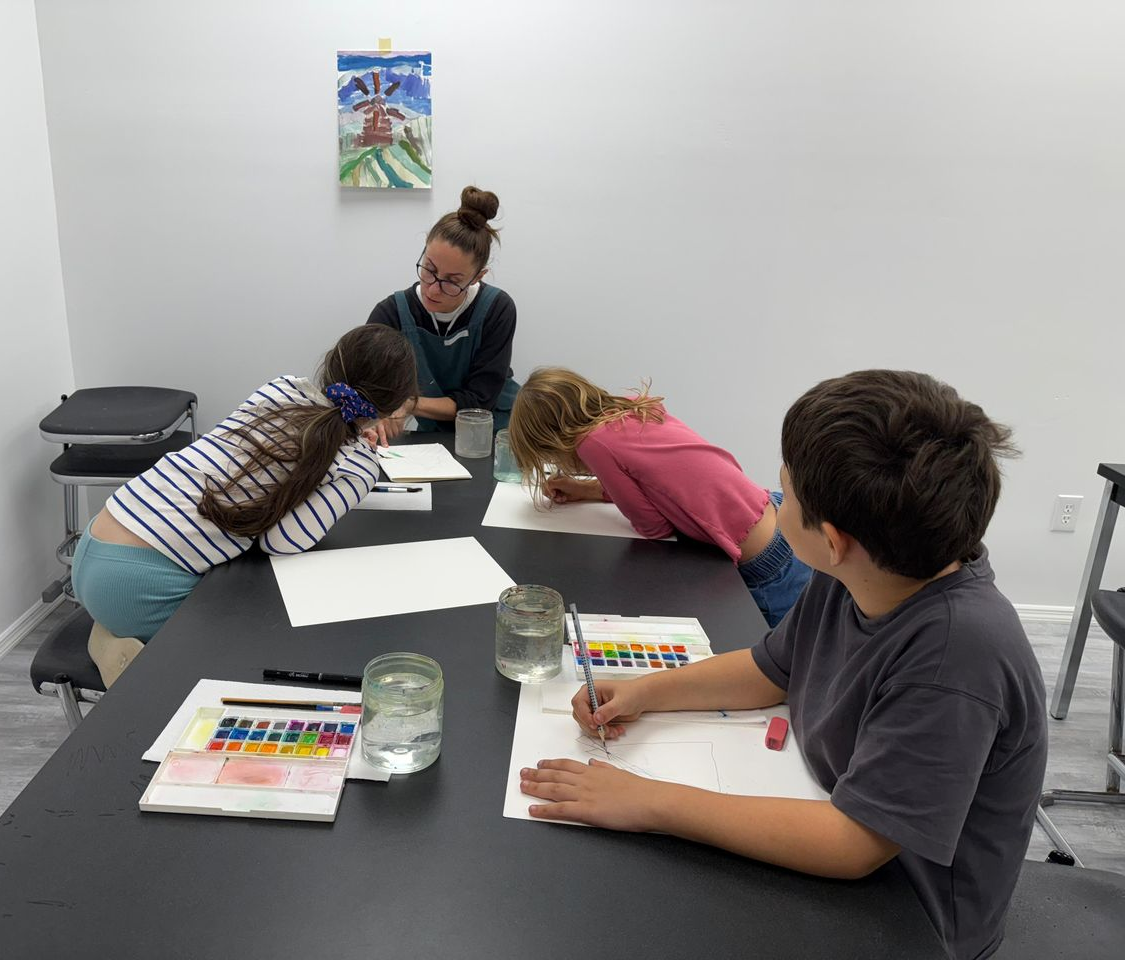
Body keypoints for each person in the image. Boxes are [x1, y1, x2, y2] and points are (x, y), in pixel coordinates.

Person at [518, 369, 1047, 960]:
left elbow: (853, 844)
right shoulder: (857, 573)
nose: (772, 503)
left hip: (910, 917)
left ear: (832, 537)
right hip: (835, 834)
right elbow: (773, 670)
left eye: (784, 495)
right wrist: (645, 690)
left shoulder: (956, 657)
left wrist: (646, 800)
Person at [71, 325, 417, 656]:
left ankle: (113, 629)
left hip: (96, 540)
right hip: (143, 581)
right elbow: (280, 542)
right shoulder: (358, 467)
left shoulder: (281, 388)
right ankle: (131, 643)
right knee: (254, 637)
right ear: (395, 406)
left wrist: (348, 440)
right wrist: (359, 459)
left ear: (331, 362)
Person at [508, 367, 810, 625]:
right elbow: (659, 485)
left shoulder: (593, 444)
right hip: (779, 518)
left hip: (766, 564)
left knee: (791, 661)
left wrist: (600, 486)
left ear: (552, 440)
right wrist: (587, 489)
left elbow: (654, 526)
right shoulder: (630, 407)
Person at [367, 185, 519, 438]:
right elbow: (364, 384)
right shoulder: (391, 314)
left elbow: (478, 401)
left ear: (477, 277)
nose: (433, 290)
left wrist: (409, 403)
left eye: (451, 281)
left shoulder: (497, 309)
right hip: (433, 439)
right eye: (429, 269)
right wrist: (377, 414)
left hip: (499, 433)